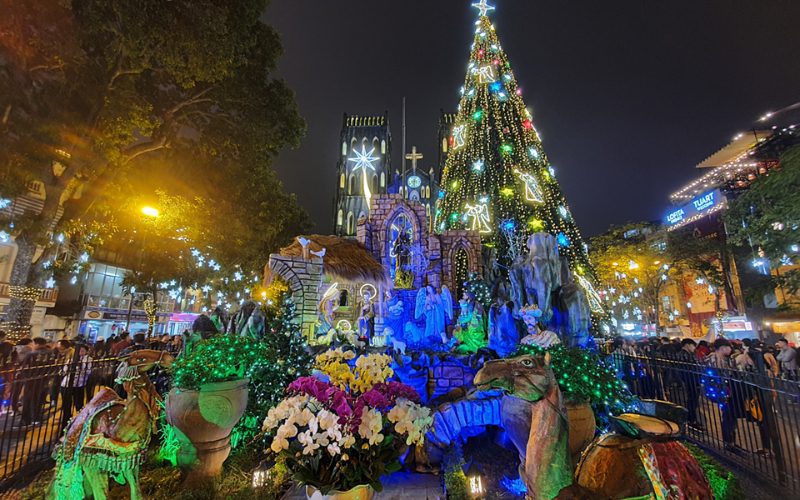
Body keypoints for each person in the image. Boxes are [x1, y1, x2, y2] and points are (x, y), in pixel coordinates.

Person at [17, 338, 56, 427]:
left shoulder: (31, 354)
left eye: (34, 343)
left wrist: (25, 378)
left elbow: (24, 367)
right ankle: (36, 418)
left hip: (31, 380)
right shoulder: (51, 353)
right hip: (43, 380)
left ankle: (26, 419)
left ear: (37, 344)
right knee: (39, 399)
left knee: (28, 399)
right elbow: (53, 367)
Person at [60, 344, 92, 430]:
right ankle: (66, 424)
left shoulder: (88, 360)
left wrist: (81, 365)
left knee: (79, 406)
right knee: (66, 406)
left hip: (79, 385)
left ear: (86, 352)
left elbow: (88, 372)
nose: (80, 352)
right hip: (66, 385)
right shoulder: (71, 359)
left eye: (82, 351)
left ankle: (79, 424)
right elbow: (65, 370)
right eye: (78, 350)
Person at [676, 339, 702, 429]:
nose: (694, 348)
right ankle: (691, 420)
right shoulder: (683, 355)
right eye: (693, 346)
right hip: (691, 380)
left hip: (692, 380)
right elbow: (688, 369)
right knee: (692, 401)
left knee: (693, 401)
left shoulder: (687, 354)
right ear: (687, 345)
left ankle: (691, 419)